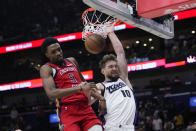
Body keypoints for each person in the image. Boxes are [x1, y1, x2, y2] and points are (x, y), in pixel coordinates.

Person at [40, 37, 104, 131]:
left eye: (59, 49)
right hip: (68, 112)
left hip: (85, 108)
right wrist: (79, 88)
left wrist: (101, 98)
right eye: (54, 52)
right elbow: (51, 93)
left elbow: (86, 86)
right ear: (47, 54)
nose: (58, 53)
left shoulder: (72, 61)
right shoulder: (46, 68)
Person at [95, 26, 137, 131]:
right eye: (110, 67)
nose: (114, 68)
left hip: (130, 128)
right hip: (113, 127)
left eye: (115, 66)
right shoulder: (100, 86)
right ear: (103, 71)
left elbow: (120, 53)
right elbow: (88, 100)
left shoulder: (123, 79)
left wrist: (110, 33)